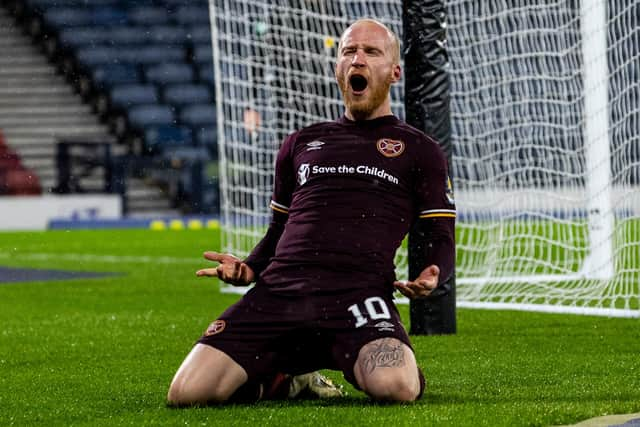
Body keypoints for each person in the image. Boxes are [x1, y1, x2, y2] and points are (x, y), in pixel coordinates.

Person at [167, 18, 456, 405]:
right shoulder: (301, 143)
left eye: (371, 52)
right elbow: (279, 229)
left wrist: (434, 273)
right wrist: (250, 267)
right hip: (280, 293)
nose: (358, 60)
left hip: (358, 295)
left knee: (396, 389)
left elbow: (440, 233)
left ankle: (389, 360)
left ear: (394, 71)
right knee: (186, 394)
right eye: (349, 52)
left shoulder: (419, 149)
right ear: (338, 67)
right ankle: (289, 380)